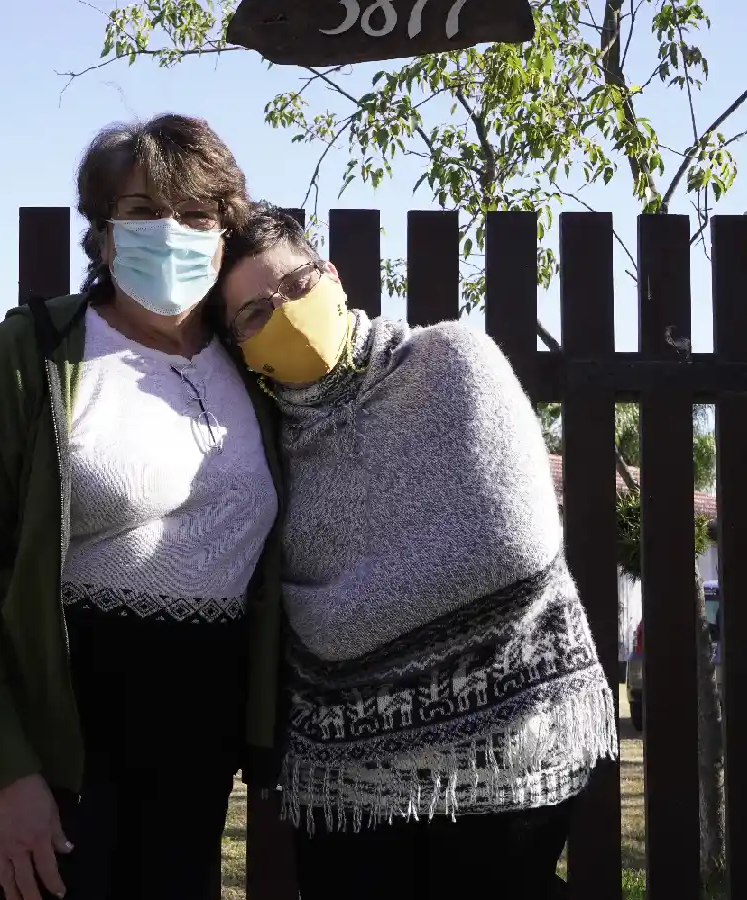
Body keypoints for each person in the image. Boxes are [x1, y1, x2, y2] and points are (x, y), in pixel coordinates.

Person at [0, 115, 286, 900]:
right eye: (142, 212)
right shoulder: (29, 356)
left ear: (225, 231)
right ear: (103, 235)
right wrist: (4, 777)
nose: (170, 232)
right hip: (53, 744)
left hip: (195, 747)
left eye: (197, 216)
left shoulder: (255, 365)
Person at [214, 203, 619, 899]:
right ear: (240, 348)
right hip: (347, 763)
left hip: (502, 739)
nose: (282, 314)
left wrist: (336, 621)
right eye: (253, 315)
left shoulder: (451, 360)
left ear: (332, 277)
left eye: (294, 286)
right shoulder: (256, 442)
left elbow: (509, 545)